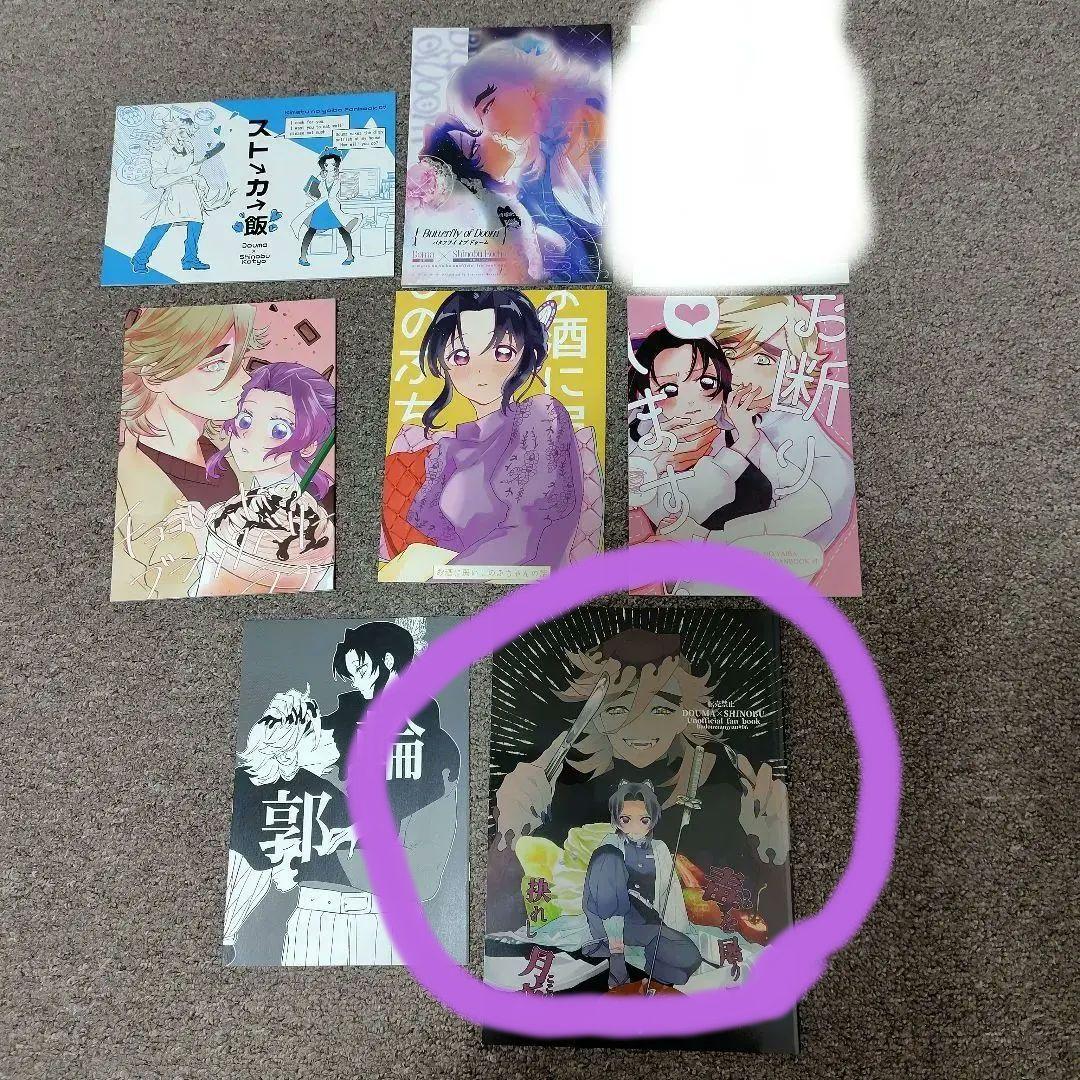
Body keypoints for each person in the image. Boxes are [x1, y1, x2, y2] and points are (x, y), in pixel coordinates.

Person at [380, 289, 584, 576]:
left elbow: (527, 541)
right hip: (458, 584)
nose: (480, 370)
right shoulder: (449, 451)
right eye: (461, 356)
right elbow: (446, 542)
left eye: (502, 353)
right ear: (443, 364)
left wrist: (437, 576)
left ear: (528, 354)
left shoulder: (540, 415)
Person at [112, 304, 266, 600]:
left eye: (241, 362)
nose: (245, 381)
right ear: (154, 373)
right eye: (216, 365)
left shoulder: (238, 456)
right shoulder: (124, 487)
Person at [444, 32, 607, 281]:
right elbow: (576, 275)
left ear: (524, 82)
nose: (491, 131)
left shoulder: (606, 107)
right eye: (478, 126)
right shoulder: (531, 193)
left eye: (487, 107)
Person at [581, 781, 701, 989]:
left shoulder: (659, 848)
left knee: (689, 957)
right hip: (610, 924)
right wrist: (614, 942)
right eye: (626, 819)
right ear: (616, 819)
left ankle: (650, 974)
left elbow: (670, 894)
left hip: (644, 925)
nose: (635, 827)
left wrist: (674, 934)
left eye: (644, 820)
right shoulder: (610, 846)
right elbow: (601, 892)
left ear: (652, 820)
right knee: (608, 858)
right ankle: (617, 959)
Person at [131, 112, 228, 274]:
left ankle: (190, 259)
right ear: (171, 130)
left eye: (188, 132)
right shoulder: (160, 151)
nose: (185, 135)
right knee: (160, 228)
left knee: (196, 225)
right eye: (182, 131)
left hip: (190, 192)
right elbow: (157, 181)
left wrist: (198, 178)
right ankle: (140, 259)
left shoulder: (188, 147)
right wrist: (187, 173)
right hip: (173, 194)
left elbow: (190, 170)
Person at [292, 151, 356, 267]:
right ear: (323, 165)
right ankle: (303, 257)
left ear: (336, 165)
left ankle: (350, 255)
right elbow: (311, 190)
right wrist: (314, 197)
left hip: (333, 207)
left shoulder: (340, 178)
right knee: (311, 230)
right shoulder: (320, 177)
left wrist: (347, 195)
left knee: (344, 230)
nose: (329, 167)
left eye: (332, 164)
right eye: (327, 165)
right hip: (321, 207)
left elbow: (348, 191)